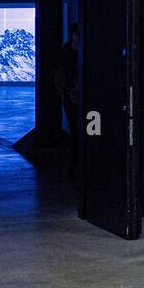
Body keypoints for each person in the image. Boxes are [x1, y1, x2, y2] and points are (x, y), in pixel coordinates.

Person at [53, 23, 80, 178]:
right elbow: (59, 75)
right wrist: (66, 91)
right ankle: (74, 168)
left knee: (84, 132)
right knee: (77, 132)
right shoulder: (65, 53)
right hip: (72, 97)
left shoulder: (68, 52)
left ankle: (74, 168)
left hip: (77, 96)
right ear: (73, 35)